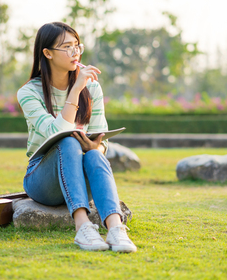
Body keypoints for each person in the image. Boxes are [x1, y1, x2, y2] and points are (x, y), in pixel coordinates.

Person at [17, 22, 137, 253]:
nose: (75, 52)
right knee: (68, 140)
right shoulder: (29, 92)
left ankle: (115, 229)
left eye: (77, 46)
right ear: (47, 53)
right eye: (67, 47)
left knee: (93, 154)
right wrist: (76, 88)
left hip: (83, 178)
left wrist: (96, 147)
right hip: (43, 180)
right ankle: (83, 227)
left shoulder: (92, 89)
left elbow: (103, 140)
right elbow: (55, 133)